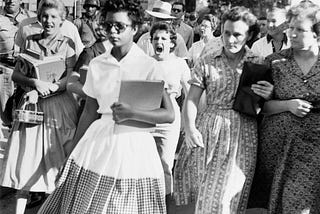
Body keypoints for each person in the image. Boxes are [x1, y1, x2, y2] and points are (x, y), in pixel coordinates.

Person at [38, 0, 174, 213]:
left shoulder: (149, 66)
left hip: (135, 146)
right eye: (108, 25)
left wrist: (133, 112)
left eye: (120, 26)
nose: (112, 31)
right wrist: (71, 152)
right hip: (98, 143)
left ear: (135, 28)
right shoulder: (97, 64)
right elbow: (90, 112)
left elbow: (169, 114)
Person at [173, 6, 273, 214]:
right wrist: (190, 128)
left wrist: (268, 94)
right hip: (209, 130)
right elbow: (191, 99)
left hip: (243, 135)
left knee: (229, 199)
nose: (230, 40)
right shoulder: (207, 60)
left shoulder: (258, 63)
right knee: (208, 197)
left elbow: (263, 105)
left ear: (249, 35)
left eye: (237, 34)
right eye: (227, 33)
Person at [0, 0, 79, 213]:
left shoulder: (68, 44)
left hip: (59, 106)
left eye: (54, 17)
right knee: (26, 158)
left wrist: (49, 87)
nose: (49, 21)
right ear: (39, 18)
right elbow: (17, 74)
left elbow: (70, 77)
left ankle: (54, 208)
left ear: (62, 19)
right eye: (45, 16)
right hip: (32, 107)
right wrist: (34, 84)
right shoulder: (30, 41)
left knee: (58, 159)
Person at [253, 2, 320, 213]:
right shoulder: (274, 62)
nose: (292, 33)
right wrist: (287, 105)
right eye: (290, 27)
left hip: (314, 146)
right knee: (284, 204)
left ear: (317, 34)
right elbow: (261, 107)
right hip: (279, 147)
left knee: (300, 205)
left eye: (300, 29)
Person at [150, 21, 190, 210]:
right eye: (156, 38)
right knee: (145, 162)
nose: (159, 41)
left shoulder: (179, 64)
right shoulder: (146, 63)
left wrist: (189, 123)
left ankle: (163, 206)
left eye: (164, 38)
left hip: (169, 118)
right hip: (147, 116)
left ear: (172, 43)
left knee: (165, 163)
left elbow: (190, 95)